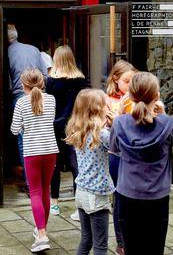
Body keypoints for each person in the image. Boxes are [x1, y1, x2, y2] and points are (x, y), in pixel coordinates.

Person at [110, 72, 173, 255]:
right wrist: (163, 115)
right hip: (157, 196)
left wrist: (120, 114)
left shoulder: (120, 123)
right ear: (157, 96)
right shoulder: (168, 124)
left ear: (130, 96)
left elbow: (114, 148)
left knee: (132, 249)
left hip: (128, 194)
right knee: (155, 249)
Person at [10, 69, 58, 252]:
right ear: (42, 83)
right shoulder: (51, 100)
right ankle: (40, 232)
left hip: (32, 152)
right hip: (50, 150)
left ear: (23, 85)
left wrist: (25, 126)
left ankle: (42, 234)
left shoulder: (21, 102)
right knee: (45, 190)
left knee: (35, 192)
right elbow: (50, 120)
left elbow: (14, 129)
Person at [65, 89, 113, 255]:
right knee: (100, 245)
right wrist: (115, 125)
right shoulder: (102, 134)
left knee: (86, 239)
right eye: (106, 105)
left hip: (81, 192)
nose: (109, 108)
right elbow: (121, 149)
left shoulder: (77, 130)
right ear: (98, 109)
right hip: (97, 195)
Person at [45, 46, 89, 220]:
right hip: (75, 125)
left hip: (55, 126)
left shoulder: (51, 82)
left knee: (54, 166)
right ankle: (79, 206)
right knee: (75, 165)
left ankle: (54, 203)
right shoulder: (80, 80)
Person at [7, 23, 49, 192]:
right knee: (41, 137)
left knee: (23, 140)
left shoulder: (6, 52)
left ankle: (31, 184)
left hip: (19, 96)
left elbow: (6, 81)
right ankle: (44, 182)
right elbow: (45, 74)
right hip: (41, 96)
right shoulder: (33, 49)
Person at [104, 60, 135, 255]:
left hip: (134, 154)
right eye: (126, 81)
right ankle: (121, 242)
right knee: (119, 198)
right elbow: (106, 132)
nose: (130, 85)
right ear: (116, 79)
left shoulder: (137, 98)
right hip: (117, 154)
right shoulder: (107, 100)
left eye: (134, 80)